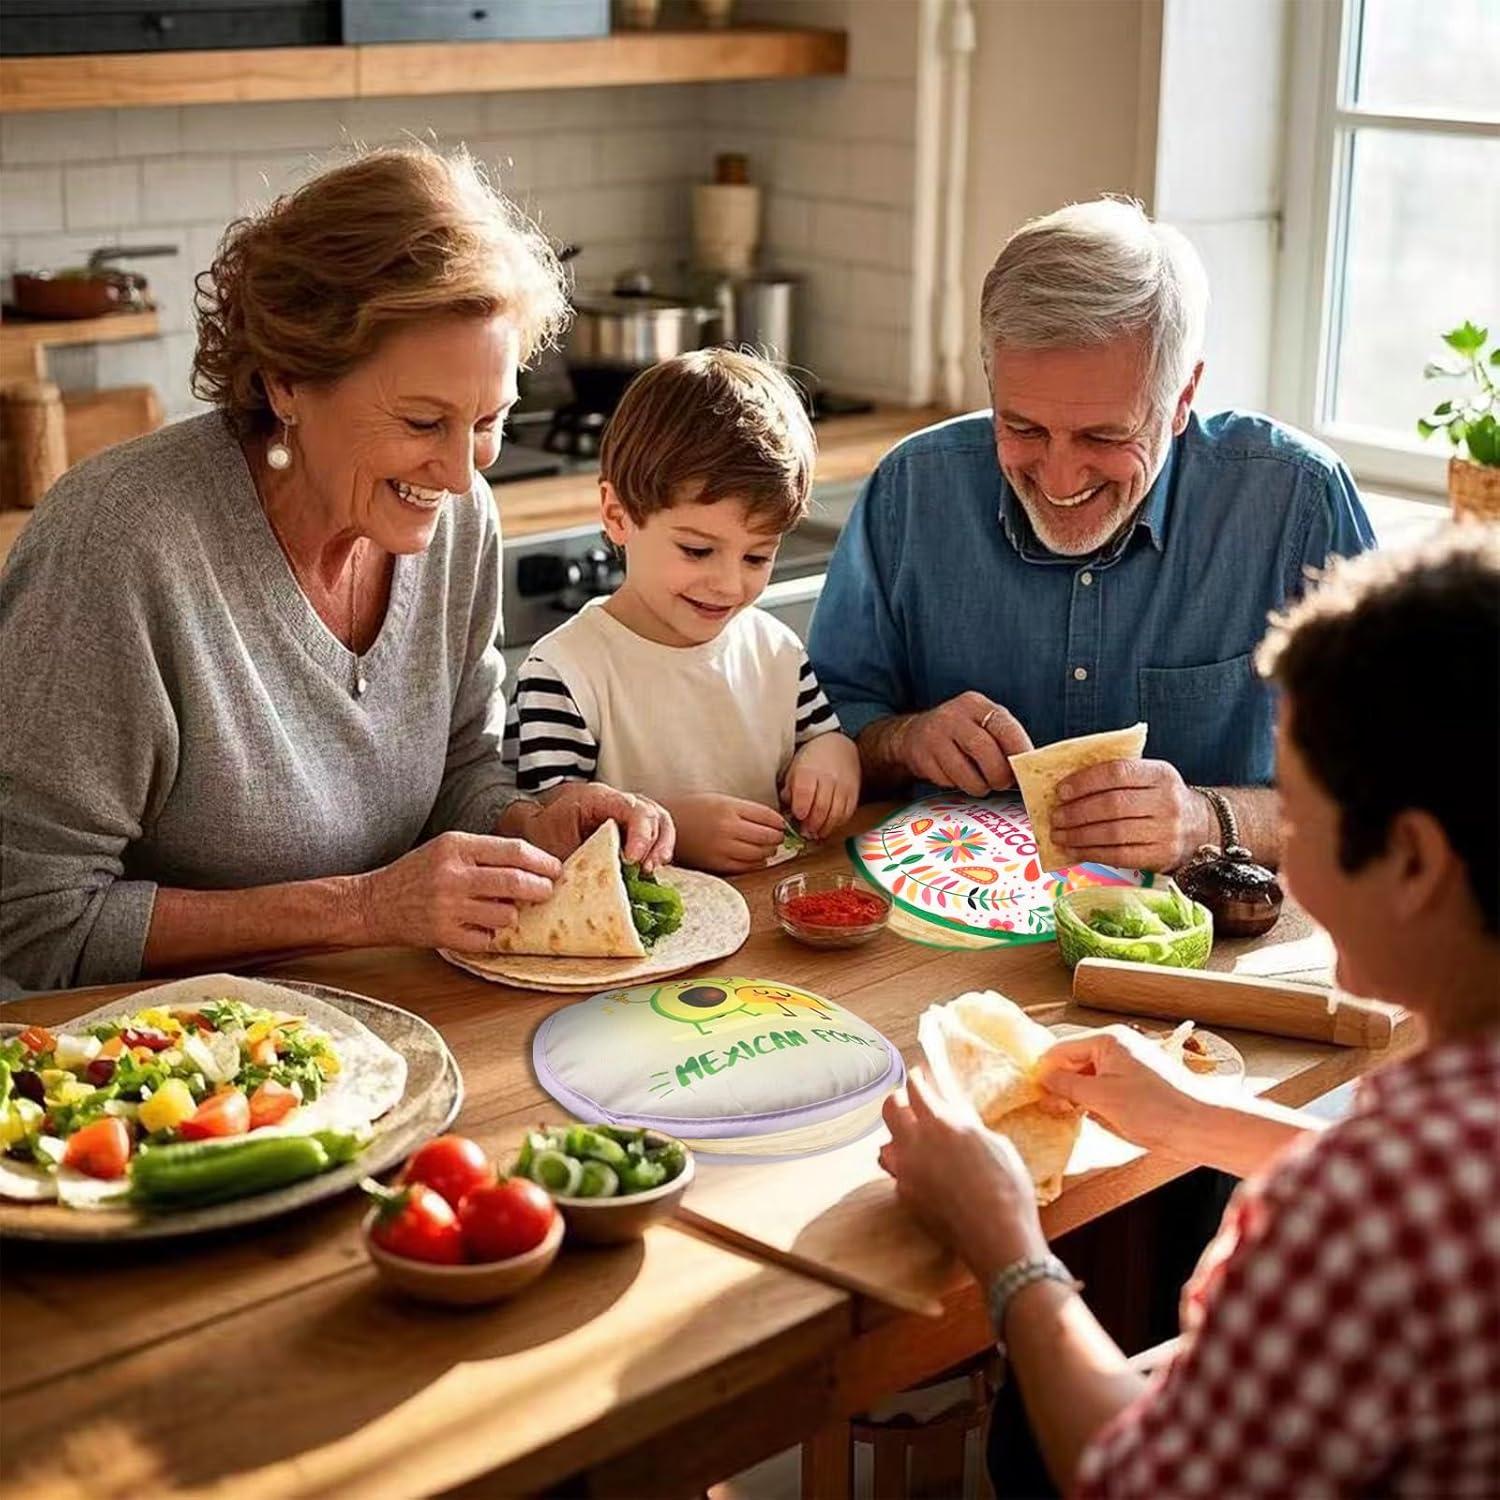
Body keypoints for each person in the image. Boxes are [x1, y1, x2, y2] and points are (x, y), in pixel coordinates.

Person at [881, 530, 1500, 1497]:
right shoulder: (1426, 1158)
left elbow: (1132, 1479)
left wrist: (1005, 1242)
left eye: (1299, 818)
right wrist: (1199, 1119)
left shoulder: (1353, 1213)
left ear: (1415, 862)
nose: (1283, 857)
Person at [0, 146, 671, 996]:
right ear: (289, 382)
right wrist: (360, 909)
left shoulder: (459, 520)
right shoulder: (123, 543)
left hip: (390, 1012)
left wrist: (533, 822)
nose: (464, 474)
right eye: (425, 421)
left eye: (490, 420)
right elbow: (30, 917)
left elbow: (458, 770)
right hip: (154, 1070)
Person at [810, 197, 1375, 873]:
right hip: (940, 937)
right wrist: (902, 740)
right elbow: (818, 729)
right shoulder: (912, 489)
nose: (1058, 475)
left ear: (1183, 398)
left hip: (1205, 950)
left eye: (1104, 436)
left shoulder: (1297, 502)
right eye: (1022, 427)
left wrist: (1210, 819)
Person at [503, 349, 860, 873]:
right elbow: (544, 830)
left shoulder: (775, 649)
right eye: (696, 550)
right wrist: (675, 829)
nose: (729, 584)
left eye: (758, 556)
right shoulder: (566, 674)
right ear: (617, 516)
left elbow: (821, 735)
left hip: (765, 918)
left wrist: (833, 757)